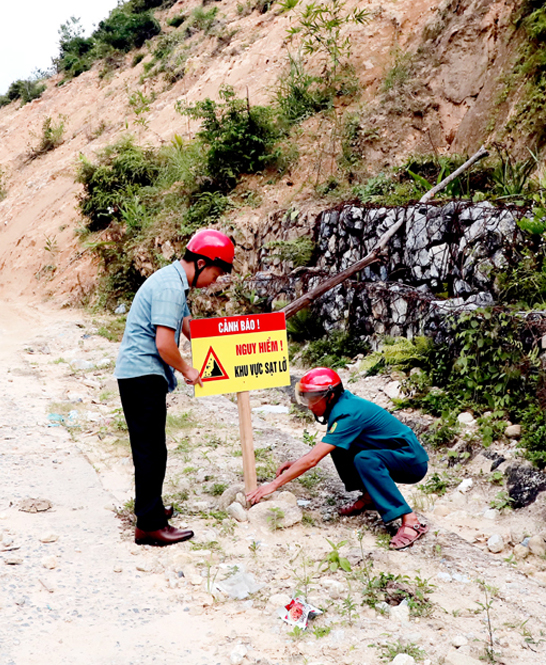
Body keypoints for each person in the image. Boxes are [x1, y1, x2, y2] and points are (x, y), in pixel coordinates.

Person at [115, 228, 235, 546]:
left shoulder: (174, 284)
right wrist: (188, 370)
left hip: (141, 375)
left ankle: (150, 509)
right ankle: (149, 526)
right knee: (151, 451)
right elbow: (165, 344)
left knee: (154, 449)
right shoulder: (170, 287)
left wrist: (230, 340)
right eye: (216, 271)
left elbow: (188, 328)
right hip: (141, 375)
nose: (215, 280)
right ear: (199, 262)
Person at [247, 366, 430, 549]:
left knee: (366, 459)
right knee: (340, 448)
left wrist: (273, 484)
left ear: (330, 396)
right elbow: (324, 447)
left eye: (312, 398)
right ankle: (369, 497)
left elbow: (313, 460)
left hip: (411, 461)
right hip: (391, 453)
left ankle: (411, 521)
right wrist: (297, 463)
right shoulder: (341, 405)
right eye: (305, 398)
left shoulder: (348, 414)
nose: (309, 405)